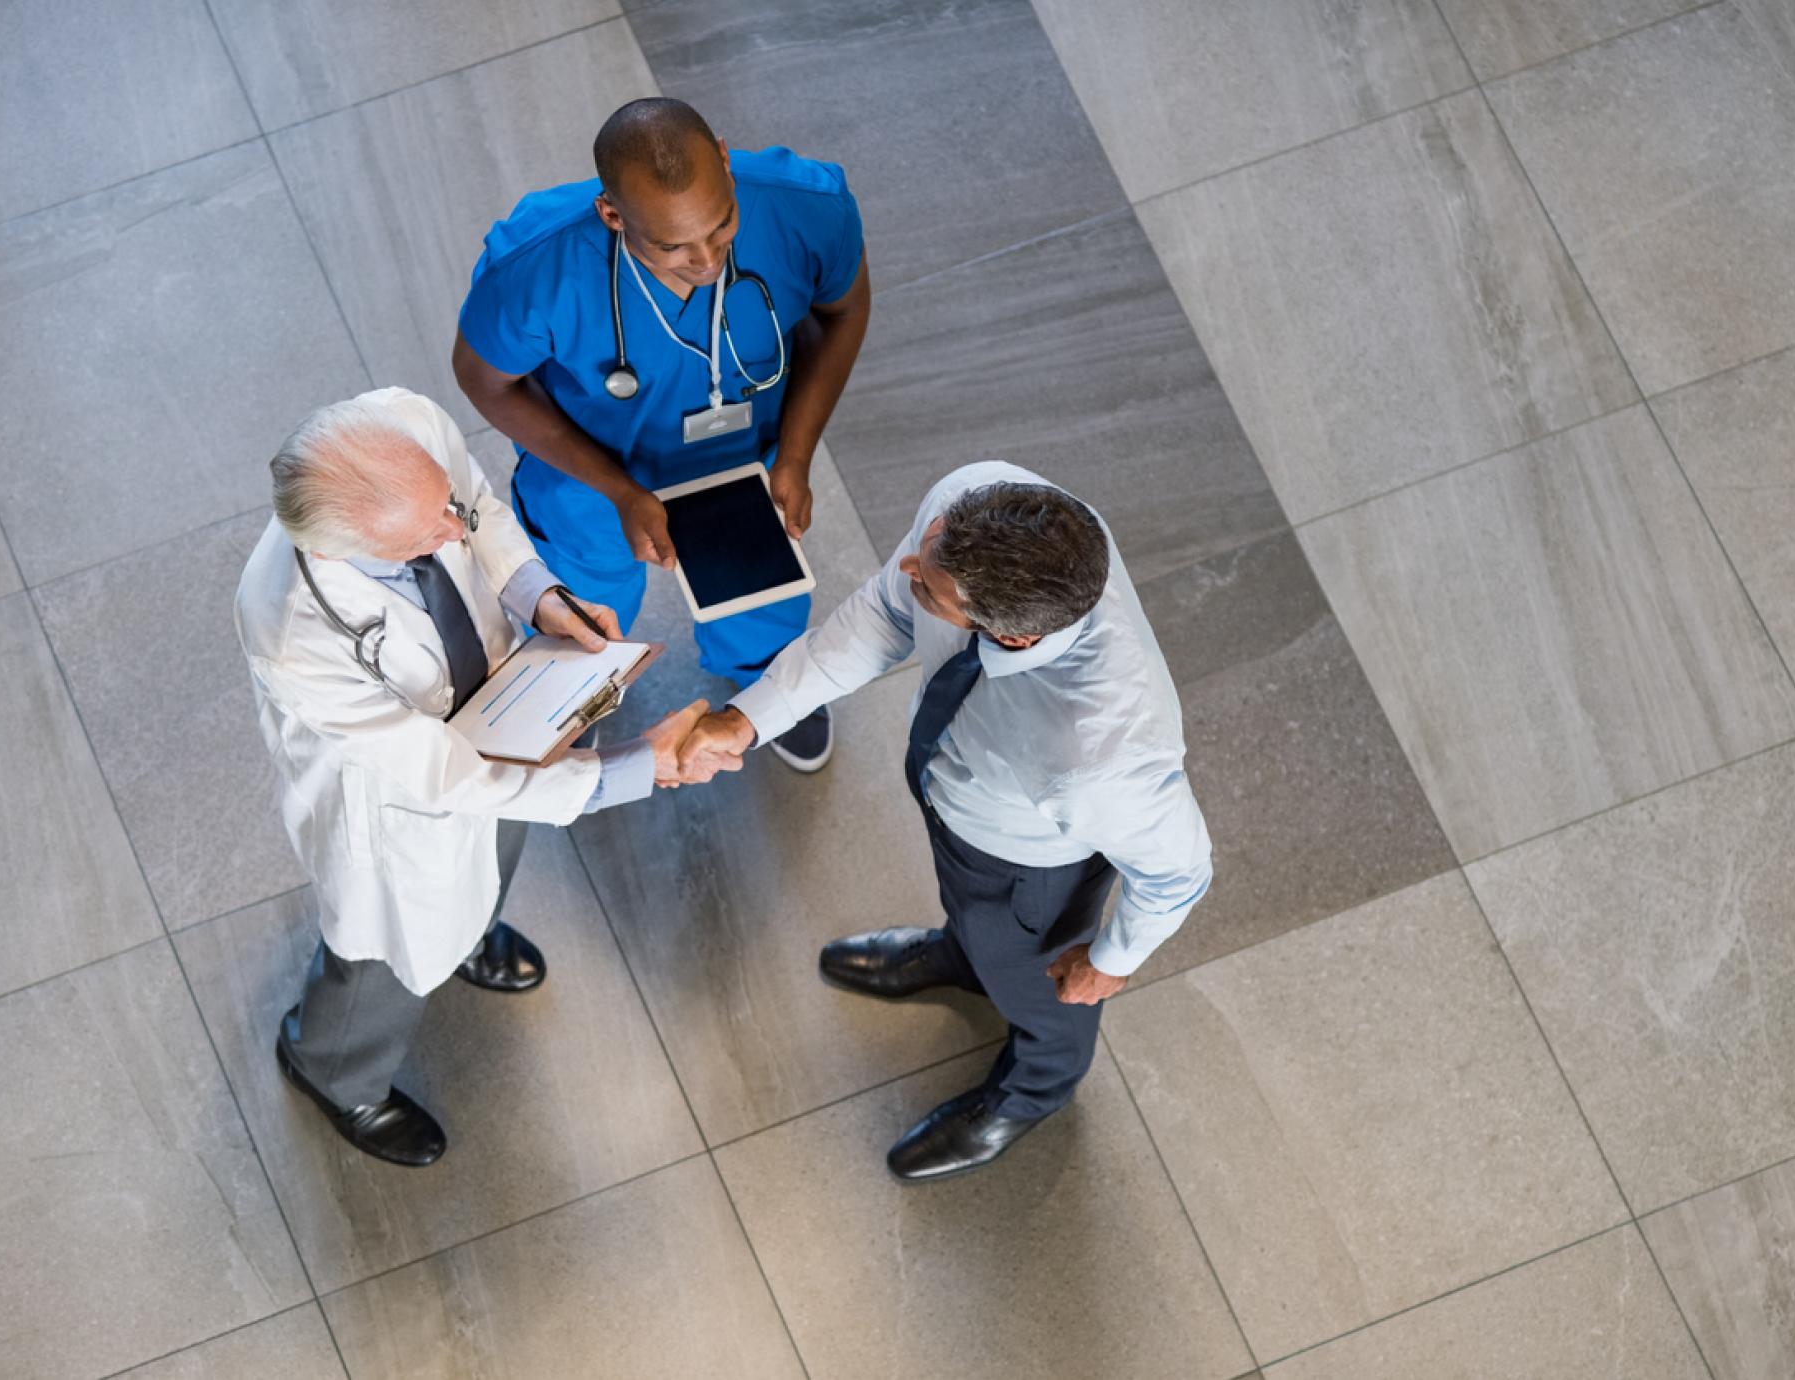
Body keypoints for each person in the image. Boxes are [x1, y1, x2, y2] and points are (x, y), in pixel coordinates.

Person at [236, 386, 738, 1168]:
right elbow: (447, 778)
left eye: (441, 508)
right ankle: (334, 1069)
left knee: (496, 851)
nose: (449, 535)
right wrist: (636, 768)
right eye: (420, 540)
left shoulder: (406, 426)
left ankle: (470, 934)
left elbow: (477, 510)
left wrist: (540, 598)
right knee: (388, 946)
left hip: (501, 704)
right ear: (341, 550)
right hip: (401, 799)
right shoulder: (293, 632)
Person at [680, 463, 1213, 1180]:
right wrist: (750, 720)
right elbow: (884, 612)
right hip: (958, 803)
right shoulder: (978, 499)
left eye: (930, 589)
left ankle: (1035, 1091)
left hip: (1030, 867)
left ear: (1012, 637)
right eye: (925, 552)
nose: (906, 569)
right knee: (974, 919)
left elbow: (1179, 871)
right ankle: (965, 956)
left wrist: (1109, 962)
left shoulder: (1106, 754)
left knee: (1041, 988)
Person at [454, 96, 870, 774]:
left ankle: (764, 682)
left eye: (722, 225)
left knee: (760, 588)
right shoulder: (533, 269)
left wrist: (794, 455)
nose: (706, 261)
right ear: (613, 215)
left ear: (728, 165)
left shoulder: (808, 206)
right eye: (672, 246)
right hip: (591, 475)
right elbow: (484, 381)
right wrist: (619, 490)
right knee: (583, 602)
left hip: (745, 455)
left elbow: (844, 310)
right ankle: (576, 694)